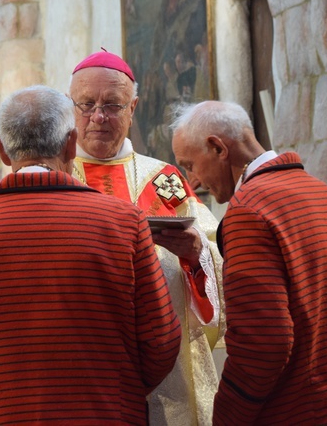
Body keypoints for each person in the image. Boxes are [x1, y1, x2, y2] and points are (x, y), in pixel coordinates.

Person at [0, 85, 181, 424]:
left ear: (1, 150)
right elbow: (160, 342)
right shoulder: (124, 222)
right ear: (72, 143)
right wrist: (120, 390)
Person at [171, 101, 327, 425]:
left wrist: (227, 417)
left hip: (313, 412)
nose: (191, 181)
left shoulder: (250, 211)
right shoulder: (323, 193)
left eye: (190, 165)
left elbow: (264, 343)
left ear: (217, 148)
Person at [68, 50, 223, 425]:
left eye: (113, 105)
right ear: (70, 107)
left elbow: (213, 252)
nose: (99, 117)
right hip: (80, 362)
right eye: (87, 104)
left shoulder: (165, 181)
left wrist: (196, 255)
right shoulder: (57, 178)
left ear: (133, 107)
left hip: (165, 372)